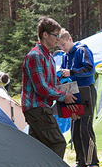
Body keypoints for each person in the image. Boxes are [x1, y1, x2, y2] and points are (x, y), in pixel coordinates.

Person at [22, 17, 75, 157]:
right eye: (55, 35)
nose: (58, 39)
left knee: (38, 150)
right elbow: (42, 88)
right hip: (37, 108)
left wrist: (65, 86)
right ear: (45, 35)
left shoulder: (49, 57)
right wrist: (64, 96)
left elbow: (52, 83)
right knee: (58, 143)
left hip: (41, 107)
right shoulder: (35, 56)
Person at [58, 29, 99, 167]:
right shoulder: (65, 55)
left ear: (69, 39)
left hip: (86, 91)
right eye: (59, 47)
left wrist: (72, 72)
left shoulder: (83, 50)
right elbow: (65, 73)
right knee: (75, 129)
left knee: (85, 128)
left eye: (63, 45)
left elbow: (90, 69)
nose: (62, 48)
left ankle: (93, 162)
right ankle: (80, 162)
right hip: (72, 93)